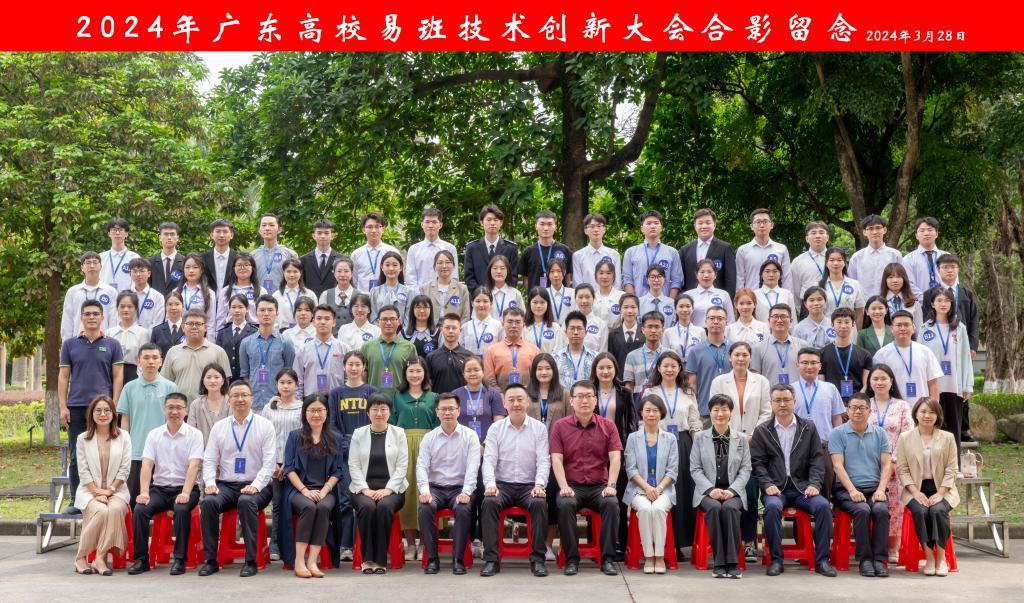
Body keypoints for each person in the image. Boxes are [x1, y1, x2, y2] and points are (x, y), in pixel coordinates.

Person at [750, 384, 836, 577]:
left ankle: (822, 560)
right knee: (772, 508)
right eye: (778, 400)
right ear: (771, 403)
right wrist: (767, 484)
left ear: (794, 402)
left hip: (803, 489)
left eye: (786, 400)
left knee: (823, 506)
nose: (782, 404)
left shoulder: (808, 427)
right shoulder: (763, 430)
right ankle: (776, 560)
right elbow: (758, 463)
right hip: (776, 489)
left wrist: (814, 484)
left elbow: (817, 459)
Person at [198, 380, 277, 577]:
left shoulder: (265, 426)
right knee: (208, 503)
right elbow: (209, 459)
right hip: (227, 485)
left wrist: (255, 486)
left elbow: (269, 463)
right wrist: (210, 483)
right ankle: (211, 560)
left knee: (246, 501)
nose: (240, 399)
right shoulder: (219, 427)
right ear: (229, 400)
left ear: (252, 399)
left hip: (258, 485)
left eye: (244, 395)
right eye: (235, 396)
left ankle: (251, 561)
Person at [550, 380, 624, 576]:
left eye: (589, 396)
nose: (584, 401)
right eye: (580, 397)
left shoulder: (608, 426)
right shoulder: (560, 426)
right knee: (565, 504)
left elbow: (615, 458)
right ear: (571, 401)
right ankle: (572, 559)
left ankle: (607, 559)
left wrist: (611, 485)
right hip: (571, 486)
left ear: (595, 400)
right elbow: (556, 459)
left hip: (600, 486)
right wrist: (563, 486)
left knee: (611, 504)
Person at [59, 299, 125, 513]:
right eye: (87, 314)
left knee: (106, 453)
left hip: (104, 409)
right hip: (77, 407)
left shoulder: (112, 344)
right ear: (81, 318)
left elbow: (118, 376)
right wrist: (63, 406)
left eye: (96, 314)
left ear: (102, 317)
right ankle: (76, 500)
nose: (92, 317)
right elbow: (63, 377)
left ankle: (107, 494)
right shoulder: (69, 344)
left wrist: (115, 405)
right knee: (76, 455)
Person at [127, 392, 203, 575]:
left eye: (179, 408)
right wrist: (144, 492)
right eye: (170, 407)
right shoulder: (154, 435)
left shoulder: (194, 434)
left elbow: (194, 465)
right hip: (160, 489)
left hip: (186, 488)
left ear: (186, 410)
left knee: (182, 510)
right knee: (140, 510)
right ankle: (141, 559)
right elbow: (147, 465)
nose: (174, 411)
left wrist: (185, 493)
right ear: (164, 409)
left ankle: (180, 560)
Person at [480, 383, 551, 577]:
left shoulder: (539, 428)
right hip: (502, 485)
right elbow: (489, 461)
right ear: (504, 403)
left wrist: (539, 485)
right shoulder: (496, 428)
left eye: (520, 399)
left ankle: (538, 560)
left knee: (539, 503)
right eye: (511, 400)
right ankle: (492, 560)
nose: (516, 404)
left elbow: (543, 460)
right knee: (489, 502)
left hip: (529, 486)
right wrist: (491, 485)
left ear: (528, 402)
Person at [709, 341, 770, 556]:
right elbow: (716, 410)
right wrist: (735, 436)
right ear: (730, 357)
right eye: (737, 355)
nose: (741, 359)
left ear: (750, 357)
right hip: (726, 442)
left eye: (745, 355)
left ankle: (749, 541)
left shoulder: (761, 381)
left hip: (754, 443)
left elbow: (767, 412)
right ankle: (727, 541)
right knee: (728, 491)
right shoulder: (719, 381)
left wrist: (752, 435)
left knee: (750, 494)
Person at [416, 393, 481, 575]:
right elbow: (421, 466)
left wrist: (466, 492)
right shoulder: (429, 438)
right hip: (435, 488)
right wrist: (425, 490)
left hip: (460, 488)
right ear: (437, 412)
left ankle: (458, 559)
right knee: (425, 508)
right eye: (443, 409)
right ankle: (432, 559)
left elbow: (473, 468)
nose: (447, 413)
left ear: (458, 411)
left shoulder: (470, 436)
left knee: (463, 508)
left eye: (451, 409)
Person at [280, 395, 345, 578]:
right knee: (309, 507)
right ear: (305, 413)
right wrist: (305, 491)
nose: (316, 414)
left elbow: (338, 471)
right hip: (298, 490)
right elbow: (289, 468)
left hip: (326, 490)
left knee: (323, 507)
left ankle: (312, 561)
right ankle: (299, 560)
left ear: (327, 413)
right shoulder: (295, 436)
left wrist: (324, 491)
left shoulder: (335, 438)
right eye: (312, 410)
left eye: (320, 410)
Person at [830, 395, 893, 577]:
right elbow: (837, 465)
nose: (858, 411)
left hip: (874, 489)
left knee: (881, 510)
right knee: (862, 510)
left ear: (870, 411)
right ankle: (865, 559)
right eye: (854, 407)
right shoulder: (837, 433)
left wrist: (881, 489)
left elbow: (887, 464)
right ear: (847, 410)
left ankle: (879, 559)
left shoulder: (880, 433)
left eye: (862, 408)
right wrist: (852, 490)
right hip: (846, 490)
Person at [896, 397, 960, 577]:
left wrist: (941, 493)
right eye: (923, 411)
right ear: (916, 414)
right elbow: (902, 469)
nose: (927, 416)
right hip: (915, 488)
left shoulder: (948, 437)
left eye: (932, 412)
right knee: (921, 512)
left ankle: (941, 558)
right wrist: (915, 492)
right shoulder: (905, 438)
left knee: (937, 511)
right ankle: (929, 556)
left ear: (938, 415)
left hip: (942, 488)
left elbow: (952, 469)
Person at [691, 394, 752, 578]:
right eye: (716, 410)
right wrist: (711, 490)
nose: (720, 414)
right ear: (710, 412)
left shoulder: (741, 439)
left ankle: (732, 563)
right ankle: (719, 562)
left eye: (724, 409)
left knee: (730, 509)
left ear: (731, 412)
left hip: (734, 492)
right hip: (707, 493)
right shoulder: (700, 438)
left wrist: (732, 490)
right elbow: (695, 469)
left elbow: (746, 469)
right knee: (715, 508)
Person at [72, 395, 132, 576]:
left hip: (117, 491)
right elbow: (83, 471)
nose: (103, 414)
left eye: (107, 410)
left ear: (113, 414)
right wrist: (97, 492)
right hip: (89, 491)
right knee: (101, 511)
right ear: (91, 414)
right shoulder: (82, 439)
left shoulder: (124, 436)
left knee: (114, 509)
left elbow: (125, 469)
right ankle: (80, 557)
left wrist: (110, 490)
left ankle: (100, 557)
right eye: (98, 410)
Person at [348, 394, 409, 574]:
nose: (379, 413)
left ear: (390, 412)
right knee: (367, 507)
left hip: (393, 489)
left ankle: (381, 560)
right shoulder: (359, 433)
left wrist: (388, 489)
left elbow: (402, 466)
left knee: (384, 506)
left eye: (383, 409)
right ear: (368, 413)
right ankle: (368, 560)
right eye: (374, 409)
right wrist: (364, 489)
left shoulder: (399, 433)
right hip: (362, 489)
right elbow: (353, 465)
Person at [923, 253, 980, 442]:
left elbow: (974, 321)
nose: (949, 270)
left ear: (958, 269)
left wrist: (972, 345)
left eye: (952, 267)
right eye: (945, 267)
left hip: (959, 349)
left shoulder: (967, 294)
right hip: (936, 352)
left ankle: (963, 430)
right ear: (938, 270)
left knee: (960, 396)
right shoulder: (929, 294)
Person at [328, 350, 379, 560]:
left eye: (358, 364)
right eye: (350, 364)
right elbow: (331, 423)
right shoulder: (336, 393)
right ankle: (346, 545)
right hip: (344, 450)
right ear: (344, 367)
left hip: (368, 449)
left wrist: (364, 443)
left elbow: (377, 420)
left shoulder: (371, 391)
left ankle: (364, 545)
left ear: (364, 367)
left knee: (364, 498)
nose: (354, 368)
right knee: (345, 499)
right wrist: (344, 444)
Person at [389, 357, 440, 559]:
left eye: (419, 371)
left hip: (428, 445)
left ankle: (427, 543)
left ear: (425, 373)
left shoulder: (434, 397)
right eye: (411, 371)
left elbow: (438, 424)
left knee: (426, 491)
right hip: (403, 446)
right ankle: (410, 544)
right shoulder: (397, 397)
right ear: (405, 374)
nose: (415, 375)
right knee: (408, 492)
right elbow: (392, 423)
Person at [590, 352, 639, 559]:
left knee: (617, 498)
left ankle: (620, 543)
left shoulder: (624, 393)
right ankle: (596, 542)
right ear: (595, 370)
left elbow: (632, 423)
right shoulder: (589, 391)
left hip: (617, 449)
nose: (605, 371)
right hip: (592, 450)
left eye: (609, 367)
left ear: (615, 370)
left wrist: (629, 451)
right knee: (595, 496)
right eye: (601, 367)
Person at [117, 343, 178, 506]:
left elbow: (175, 421)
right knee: (135, 500)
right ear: (138, 361)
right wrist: (125, 445)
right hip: (136, 452)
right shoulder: (129, 388)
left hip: (163, 453)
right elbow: (125, 419)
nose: (151, 361)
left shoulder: (171, 387)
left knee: (161, 503)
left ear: (161, 361)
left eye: (155, 358)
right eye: (146, 358)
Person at [623, 395, 678, 574]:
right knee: (646, 510)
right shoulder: (633, 438)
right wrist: (647, 488)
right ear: (641, 413)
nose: (651, 414)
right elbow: (631, 469)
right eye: (647, 410)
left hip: (664, 490)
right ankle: (649, 557)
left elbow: (672, 470)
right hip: (639, 490)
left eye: (655, 410)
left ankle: (659, 557)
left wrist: (659, 489)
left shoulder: (670, 438)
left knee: (658, 509)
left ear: (661, 413)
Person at [864, 369, 914, 563]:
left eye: (883, 378)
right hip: (868, 466)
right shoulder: (865, 404)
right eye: (875, 378)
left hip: (896, 465)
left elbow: (907, 435)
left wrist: (893, 462)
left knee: (894, 508)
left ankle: (893, 547)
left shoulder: (902, 406)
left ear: (891, 381)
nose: (879, 382)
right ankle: (870, 545)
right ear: (870, 382)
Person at [525, 353, 570, 559]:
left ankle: (548, 544)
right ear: (534, 372)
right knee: (533, 498)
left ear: (554, 371)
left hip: (556, 455)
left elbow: (570, 424)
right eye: (540, 368)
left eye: (548, 368)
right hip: (530, 454)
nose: (543, 372)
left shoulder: (564, 394)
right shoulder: (526, 393)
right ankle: (533, 542)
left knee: (551, 497)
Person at [920, 288, 973, 458]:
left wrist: (967, 385)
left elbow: (966, 358)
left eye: (947, 300)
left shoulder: (960, 328)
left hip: (954, 386)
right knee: (933, 427)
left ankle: (954, 466)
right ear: (932, 304)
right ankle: (932, 466)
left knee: (954, 429)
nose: (943, 304)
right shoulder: (924, 329)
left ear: (951, 304)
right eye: (939, 300)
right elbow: (921, 359)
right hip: (933, 387)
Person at [260, 368, 304, 561]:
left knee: (294, 504)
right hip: (274, 464)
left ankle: (295, 544)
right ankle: (275, 545)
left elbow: (303, 438)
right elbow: (263, 438)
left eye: (289, 382)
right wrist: (273, 464)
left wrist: (289, 464)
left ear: (296, 385)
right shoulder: (269, 408)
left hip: (296, 464)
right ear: (276, 385)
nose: (286, 386)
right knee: (277, 505)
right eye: (282, 383)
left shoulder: (302, 408)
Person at [792, 347, 845, 497]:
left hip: (824, 447)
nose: (809, 366)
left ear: (820, 365)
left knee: (826, 489)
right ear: (797, 365)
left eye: (814, 363)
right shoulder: (790, 390)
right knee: (799, 490)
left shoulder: (830, 388)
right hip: (797, 448)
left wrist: (838, 444)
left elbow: (837, 418)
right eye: (805, 363)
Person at [161, 310, 231, 405]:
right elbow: (165, 383)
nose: (194, 327)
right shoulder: (173, 352)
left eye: (198, 324)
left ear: (205, 327)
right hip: (179, 408)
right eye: (190, 324)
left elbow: (225, 384)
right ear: (183, 327)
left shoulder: (218, 352)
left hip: (208, 408)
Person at [238, 296, 296, 410]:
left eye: (270, 310)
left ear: (277, 313)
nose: (266, 313)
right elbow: (245, 375)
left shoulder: (286, 343)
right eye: (262, 310)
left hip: (278, 404)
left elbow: (289, 373)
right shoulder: (246, 343)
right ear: (256, 313)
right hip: (253, 404)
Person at [873, 310, 943, 403]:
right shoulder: (881, 354)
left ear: (913, 328)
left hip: (922, 407)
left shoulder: (926, 352)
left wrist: (934, 406)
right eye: (899, 325)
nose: (903, 328)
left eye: (906, 325)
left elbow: (933, 383)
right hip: (894, 407)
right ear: (892, 328)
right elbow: (877, 385)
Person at [362, 305, 418, 401]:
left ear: (399, 321)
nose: (388, 323)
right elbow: (363, 376)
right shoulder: (367, 347)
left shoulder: (409, 347)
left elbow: (414, 375)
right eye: (384, 319)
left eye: (392, 319)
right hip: (374, 401)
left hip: (401, 400)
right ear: (378, 322)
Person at [622, 210, 683, 298]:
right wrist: (634, 302)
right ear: (642, 228)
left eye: (656, 223)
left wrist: (669, 302)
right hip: (639, 302)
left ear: (661, 227)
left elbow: (677, 281)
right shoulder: (631, 252)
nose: (653, 226)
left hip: (665, 303)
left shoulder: (672, 252)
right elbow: (627, 280)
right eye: (649, 223)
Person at [684, 305, 730, 419]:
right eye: (712, 318)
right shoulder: (695, 351)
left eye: (720, 318)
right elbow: (692, 384)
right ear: (705, 322)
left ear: (726, 322)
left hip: (731, 409)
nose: (716, 322)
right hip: (704, 410)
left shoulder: (735, 349)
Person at [820, 307, 874, 404]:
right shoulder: (822, 353)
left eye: (847, 322)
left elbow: (866, 385)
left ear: (853, 324)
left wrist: (854, 404)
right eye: (839, 322)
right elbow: (821, 385)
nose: (843, 326)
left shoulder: (865, 354)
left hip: (857, 405)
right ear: (832, 325)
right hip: (832, 403)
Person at [60, 252, 118, 342]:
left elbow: (114, 321)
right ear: (82, 268)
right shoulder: (73, 292)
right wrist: (67, 344)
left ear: (100, 266)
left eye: (95, 262)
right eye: (88, 263)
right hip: (78, 343)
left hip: (103, 343)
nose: (92, 266)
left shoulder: (110, 292)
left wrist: (111, 344)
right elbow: (67, 321)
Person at [294, 304, 348, 399]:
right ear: (313, 322)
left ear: (334, 322)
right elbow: (298, 381)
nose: (323, 322)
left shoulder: (344, 349)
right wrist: (298, 403)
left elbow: (348, 378)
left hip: (337, 400)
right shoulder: (303, 350)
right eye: (319, 318)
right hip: (310, 401)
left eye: (327, 319)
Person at [680, 208, 737, 298]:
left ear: (714, 225)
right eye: (700, 223)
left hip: (717, 299)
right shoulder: (685, 250)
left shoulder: (725, 248)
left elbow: (730, 279)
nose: (704, 226)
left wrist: (727, 300)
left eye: (708, 222)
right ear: (695, 226)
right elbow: (681, 279)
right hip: (691, 300)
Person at [464, 204, 519, 292]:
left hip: (504, 296)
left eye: (495, 220)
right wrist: (481, 294)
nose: (492, 223)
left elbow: (513, 277)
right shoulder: (472, 248)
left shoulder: (511, 248)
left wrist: (501, 293)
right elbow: (469, 278)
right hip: (479, 297)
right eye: (489, 220)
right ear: (481, 222)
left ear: (501, 223)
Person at [483, 307, 541, 390]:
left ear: (523, 325)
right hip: (500, 396)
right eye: (510, 322)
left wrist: (527, 393)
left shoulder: (534, 350)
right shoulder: (492, 350)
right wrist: (500, 394)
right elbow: (489, 378)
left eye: (518, 322)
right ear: (503, 324)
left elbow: (538, 377)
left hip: (528, 395)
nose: (514, 326)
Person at [750, 303, 808, 385]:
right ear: (769, 321)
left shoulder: (803, 346)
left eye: (783, 316)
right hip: (770, 392)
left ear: (791, 321)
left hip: (797, 392)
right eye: (775, 316)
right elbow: (755, 378)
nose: (779, 320)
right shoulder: (757, 348)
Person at [736, 209, 793, 292]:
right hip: (752, 297)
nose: (762, 225)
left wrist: (787, 297)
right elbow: (739, 278)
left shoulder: (781, 249)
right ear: (751, 226)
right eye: (758, 222)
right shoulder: (743, 250)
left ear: (771, 225)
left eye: (765, 221)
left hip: (775, 297)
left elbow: (786, 277)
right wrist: (740, 297)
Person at [848, 215, 903, 299]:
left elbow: (902, 279)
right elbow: (851, 282)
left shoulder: (895, 255)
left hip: (889, 302)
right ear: (864, 232)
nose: (874, 232)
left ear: (884, 230)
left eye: (878, 228)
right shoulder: (857, 257)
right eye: (870, 228)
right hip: (863, 303)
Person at [519, 210, 574, 291]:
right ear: (536, 226)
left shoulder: (564, 250)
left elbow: (567, 277)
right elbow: (525, 279)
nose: (545, 228)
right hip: (536, 297)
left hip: (559, 297)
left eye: (549, 224)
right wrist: (533, 295)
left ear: (555, 227)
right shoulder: (528, 252)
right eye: (542, 224)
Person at [406, 207, 459, 290]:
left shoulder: (450, 248)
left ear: (440, 225)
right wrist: (419, 296)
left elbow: (454, 277)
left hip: (444, 295)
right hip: (420, 295)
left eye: (434, 222)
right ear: (422, 225)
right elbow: (411, 279)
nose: (430, 225)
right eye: (427, 222)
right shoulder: (413, 250)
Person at [351, 212, 400, 292]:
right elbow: (354, 280)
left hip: (387, 296)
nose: (373, 230)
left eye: (377, 226)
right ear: (363, 230)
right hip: (363, 297)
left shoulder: (392, 252)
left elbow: (398, 276)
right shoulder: (356, 254)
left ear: (383, 230)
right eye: (370, 227)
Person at [108, 291, 150, 383]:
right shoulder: (110, 332)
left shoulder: (143, 333)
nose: (126, 310)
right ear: (117, 308)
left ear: (136, 308)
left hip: (134, 376)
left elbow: (144, 359)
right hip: (112, 375)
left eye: (130, 306)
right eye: (122, 306)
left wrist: (140, 381)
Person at [622, 311, 668, 395]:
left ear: (663, 330)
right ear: (643, 330)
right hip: (640, 402)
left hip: (665, 401)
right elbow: (629, 386)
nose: (653, 330)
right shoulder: (632, 356)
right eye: (650, 327)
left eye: (657, 327)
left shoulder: (670, 355)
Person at [426, 313, 474, 394]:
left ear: (460, 330)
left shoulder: (469, 356)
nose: (450, 331)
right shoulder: (431, 357)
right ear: (441, 329)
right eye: (447, 328)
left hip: (462, 400)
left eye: (454, 328)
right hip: (439, 400)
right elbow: (428, 384)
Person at [573, 212, 622, 291]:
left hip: (609, 297)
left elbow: (617, 283)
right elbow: (577, 283)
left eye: (599, 226)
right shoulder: (578, 256)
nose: (596, 230)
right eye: (592, 226)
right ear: (585, 230)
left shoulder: (614, 255)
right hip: (586, 297)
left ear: (604, 229)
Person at [901, 217, 947, 300]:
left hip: (945, 303)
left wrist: (944, 300)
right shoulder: (908, 259)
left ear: (936, 233)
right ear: (916, 235)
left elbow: (953, 282)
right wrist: (926, 300)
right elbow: (909, 284)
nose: (926, 233)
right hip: (919, 304)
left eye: (930, 230)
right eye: (922, 230)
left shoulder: (946, 256)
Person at [420, 249, 471, 323]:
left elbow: (465, 316)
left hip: (454, 329)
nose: (444, 266)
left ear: (453, 266)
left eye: (448, 262)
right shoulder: (424, 288)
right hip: (431, 329)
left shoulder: (462, 289)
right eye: (440, 263)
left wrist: (457, 328)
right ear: (435, 266)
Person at [252, 213, 299, 292]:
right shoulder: (252, 255)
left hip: (283, 297)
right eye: (263, 225)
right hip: (259, 298)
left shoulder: (290, 254)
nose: (267, 228)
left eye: (271, 225)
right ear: (259, 230)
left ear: (279, 229)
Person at [216, 294, 257, 381]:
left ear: (247, 309)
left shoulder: (254, 332)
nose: (237, 310)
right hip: (227, 379)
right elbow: (218, 358)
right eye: (233, 307)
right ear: (229, 309)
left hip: (246, 379)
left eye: (240, 307)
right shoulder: (222, 333)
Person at [300, 218, 344, 299]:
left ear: (332, 235)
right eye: (319, 233)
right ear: (314, 236)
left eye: (326, 233)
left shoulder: (342, 260)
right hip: (310, 302)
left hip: (334, 302)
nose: (323, 236)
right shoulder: (303, 260)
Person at [820, 247, 865, 325]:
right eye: (832, 260)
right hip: (826, 329)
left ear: (844, 263)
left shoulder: (855, 284)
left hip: (849, 328)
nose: (835, 263)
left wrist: (857, 331)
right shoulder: (818, 286)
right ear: (826, 263)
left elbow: (860, 312)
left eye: (839, 260)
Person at [187, 363, 230, 446]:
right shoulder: (195, 405)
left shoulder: (231, 403)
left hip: (227, 450)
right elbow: (191, 432)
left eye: (216, 377)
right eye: (209, 377)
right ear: (203, 380)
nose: (212, 381)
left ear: (223, 381)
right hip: (201, 450)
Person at [175, 254, 217, 336]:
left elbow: (211, 321)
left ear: (201, 270)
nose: (191, 270)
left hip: (199, 336)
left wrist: (210, 340)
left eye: (195, 267)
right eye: (187, 267)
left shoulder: (209, 293)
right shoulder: (176, 292)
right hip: (178, 336)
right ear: (183, 270)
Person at [685, 259, 734, 329]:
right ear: (696, 275)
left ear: (715, 275)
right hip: (694, 333)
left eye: (709, 272)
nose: (706, 275)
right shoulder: (688, 295)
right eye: (702, 272)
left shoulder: (724, 294)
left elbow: (730, 321)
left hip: (719, 333)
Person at [368, 251, 415, 325]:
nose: (391, 268)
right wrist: (380, 330)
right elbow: (372, 317)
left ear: (401, 268)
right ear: (382, 267)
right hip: (378, 331)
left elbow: (409, 318)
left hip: (401, 331)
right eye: (387, 265)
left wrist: (401, 332)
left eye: (395, 265)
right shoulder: (374, 291)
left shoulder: (409, 292)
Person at [217, 253, 262, 328]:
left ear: (252, 268)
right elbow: (220, 317)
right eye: (239, 265)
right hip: (230, 330)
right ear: (234, 268)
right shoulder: (225, 291)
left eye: (246, 265)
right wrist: (219, 333)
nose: (242, 268)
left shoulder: (261, 291)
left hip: (254, 329)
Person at [789, 221, 830, 301]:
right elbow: (795, 290)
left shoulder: (836, 259)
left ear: (827, 237)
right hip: (808, 305)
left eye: (821, 233)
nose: (818, 236)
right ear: (807, 239)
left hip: (834, 304)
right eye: (813, 233)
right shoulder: (797, 262)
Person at [555, 311, 598, 386]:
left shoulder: (595, 357)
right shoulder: (556, 357)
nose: (575, 332)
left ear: (585, 332)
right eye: (572, 328)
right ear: (566, 332)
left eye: (579, 328)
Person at [99, 217, 140, 293]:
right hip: (104, 298)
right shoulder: (100, 257)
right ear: (109, 234)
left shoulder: (134, 257)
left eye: (121, 230)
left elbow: (137, 281)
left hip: (127, 298)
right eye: (114, 230)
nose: (117, 233)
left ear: (126, 234)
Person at [460, 288, 504, 359]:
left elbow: (502, 349)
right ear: (472, 303)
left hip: (492, 364)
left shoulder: (498, 326)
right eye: (478, 301)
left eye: (485, 301)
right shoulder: (465, 327)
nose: (481, 305)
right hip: (470, 365)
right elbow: (461, 350)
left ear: (491, 303)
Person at [273, 259, 316, 331]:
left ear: (300, 273)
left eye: (295, 271)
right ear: (283, 273)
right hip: (282, 333)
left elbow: (315, 316)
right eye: (288, 271)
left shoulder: (310, 294)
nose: (292, 275)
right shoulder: (276, 295)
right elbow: (274, 319)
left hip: (305, 333)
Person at [319, 256, 358, 333]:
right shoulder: (325, 295)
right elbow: (320, 318)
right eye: (339, 271)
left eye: (346, 271)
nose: (342, 274)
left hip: (353, 337)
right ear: (334, 273)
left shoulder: (359, 296)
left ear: (351, 273)